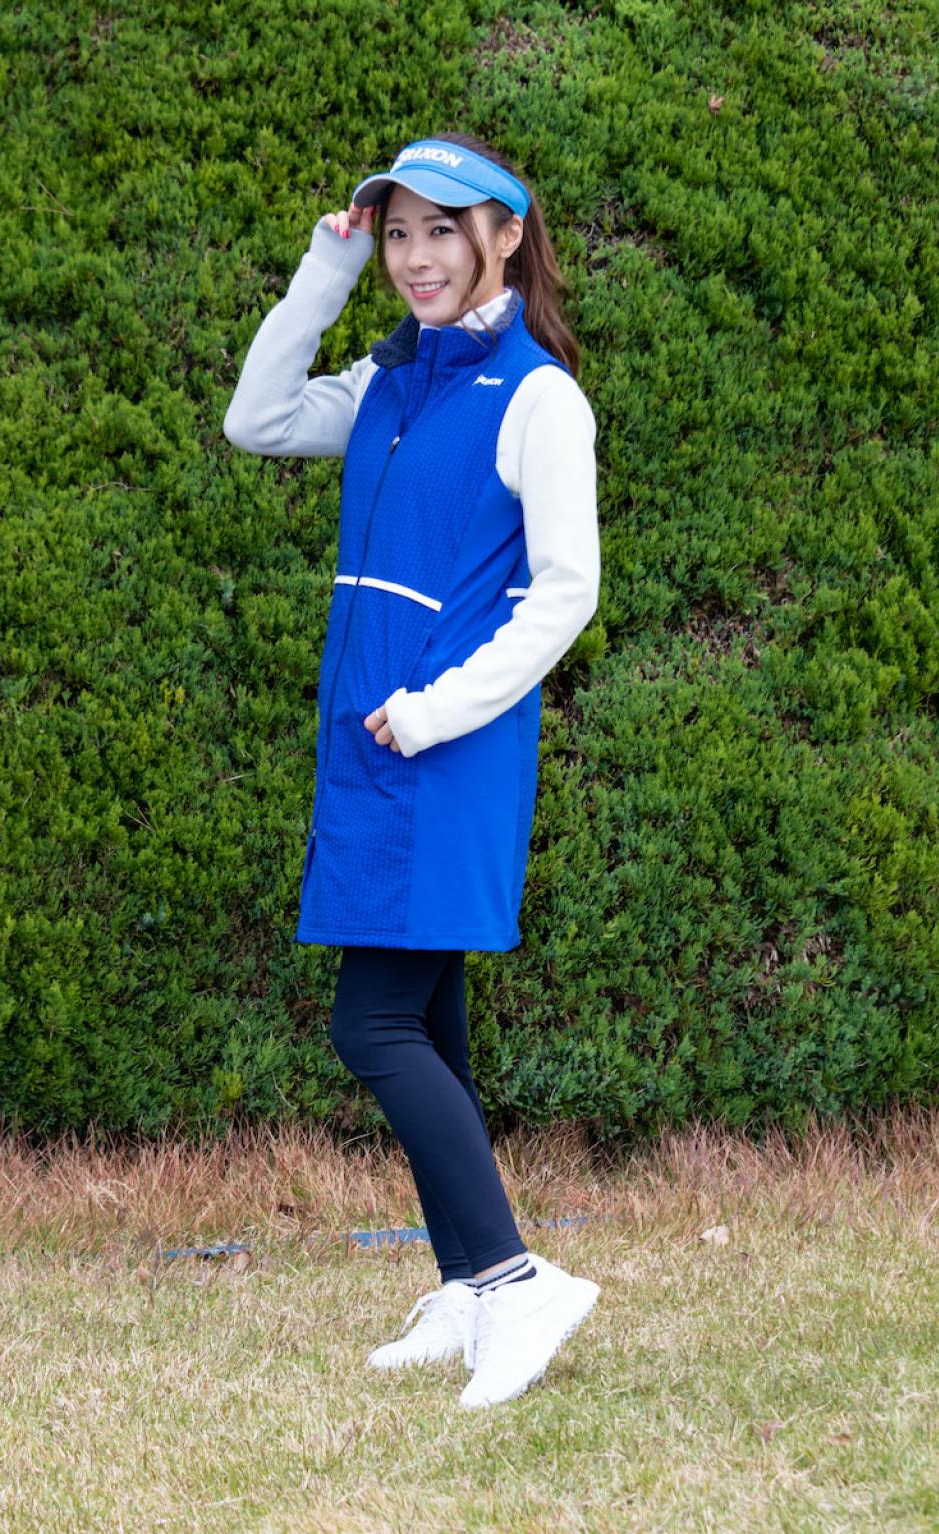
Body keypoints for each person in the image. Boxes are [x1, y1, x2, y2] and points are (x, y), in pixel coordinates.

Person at [223, 132, 601, 1409]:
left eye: (443, 228)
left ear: (506, 234)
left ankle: (516, 1282)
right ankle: (466, 1284)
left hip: (444, 754)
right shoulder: (388, 383)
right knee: (428, 1020)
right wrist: (323, 274)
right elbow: (257, 418)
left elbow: (565, 593)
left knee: (371, 1023)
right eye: (396, 232)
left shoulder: (539, 399)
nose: (415, 256)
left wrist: (436, 712)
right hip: (373, 748)